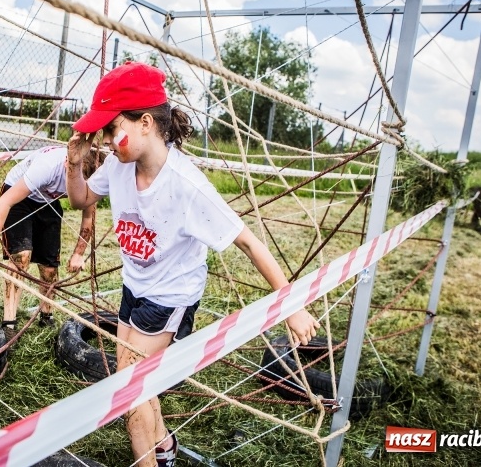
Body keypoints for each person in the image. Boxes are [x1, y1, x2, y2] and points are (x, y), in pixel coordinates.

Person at [66, 62, 320, 467]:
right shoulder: (118, 166)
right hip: (135, 286)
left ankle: (150, 457)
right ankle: (164, 447)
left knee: (130, 397)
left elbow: (249, 243)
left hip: (169, 297)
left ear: (145, 122)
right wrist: (74, 162)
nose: (108, 141)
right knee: (134, 383)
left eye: (113, 129)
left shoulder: (187, 185)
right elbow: (81, 200)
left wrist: (293, 306)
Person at [0, 145, 99, 335]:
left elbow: (88, 216)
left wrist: (78, 254)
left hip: (48, 201)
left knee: (50, 267)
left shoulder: (93, 179)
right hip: (19, 194)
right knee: (21, 256)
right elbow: (5, 201)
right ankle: (9, 324)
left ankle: (46, 316)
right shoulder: (47, 167)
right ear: (67, 165)